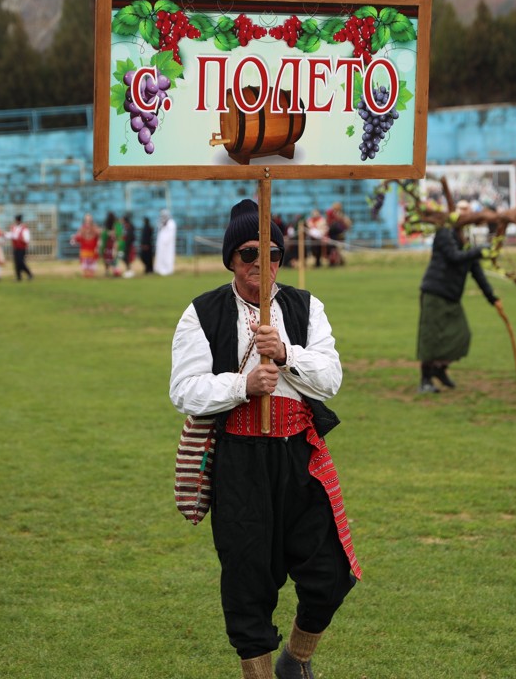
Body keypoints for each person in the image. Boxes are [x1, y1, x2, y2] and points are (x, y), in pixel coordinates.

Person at [170, 199, 360, 679]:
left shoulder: (306, 306)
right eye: (249, 253)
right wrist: (242, 386)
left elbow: (331, 378)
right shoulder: (202, 312)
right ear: (231, 258)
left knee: (329, 572)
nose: (261, 263)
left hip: (300, 455)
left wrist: (286, 353)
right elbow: (183, 390)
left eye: (271, 252)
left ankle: (296, 659)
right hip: (239, 462)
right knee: (247, 579)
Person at [416, 201, 500, 393]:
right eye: (461, 210)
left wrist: (492, 297)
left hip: (452, 297)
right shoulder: (444, 233)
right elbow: (454, 257)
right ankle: (425, 380)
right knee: (431, 338)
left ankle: (440, 369)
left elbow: (476, 271)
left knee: (460, 336)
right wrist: (478, 251)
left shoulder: (465, 240)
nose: (464, 214)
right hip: (435, 293)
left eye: (467, 210)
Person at [8, 215, 34, 281]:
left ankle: (29, 273)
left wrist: (21, 239)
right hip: (15, 247)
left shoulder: (24, 228)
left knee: (20, 262)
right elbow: (11, 235)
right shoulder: (13, 227)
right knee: (16, 262)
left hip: (22, 247)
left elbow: (26, 239)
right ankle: (18, 276)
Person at [154, 209, 177, 276]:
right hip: (161, 245)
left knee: (168, 257)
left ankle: (168, 270)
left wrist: (165, 242)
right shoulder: (161, 223)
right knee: (161, 257)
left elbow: (171, 234)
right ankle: (160, 269)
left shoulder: (171, 223)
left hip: (168, 245)